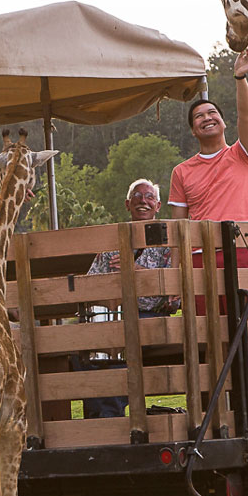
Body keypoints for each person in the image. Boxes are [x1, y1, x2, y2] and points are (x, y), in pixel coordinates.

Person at [169, 46, 248, 310]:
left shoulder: (243, 155)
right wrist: (177, 273)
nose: (207, 118)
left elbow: (247, 116)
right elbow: (178, 229)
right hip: (199, 257)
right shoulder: (181, 171)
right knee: (208, 335)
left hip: (241, 248)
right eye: (199, 116)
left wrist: (240, 78)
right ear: (193, 131)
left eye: (212, 114)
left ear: (223, 123)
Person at [77, 179, 176, 419]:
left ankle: (107, 420)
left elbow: (172, 294)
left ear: (158, 205)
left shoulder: (167, 242)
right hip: (109, 316)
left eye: (149, 196)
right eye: (137, 196)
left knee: (119, 341)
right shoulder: (111, 241)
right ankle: (99, 421)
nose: (143, 200)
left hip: (148, 317)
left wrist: (133, 269)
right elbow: (90, 282)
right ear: (127, 204)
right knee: (78, 344)